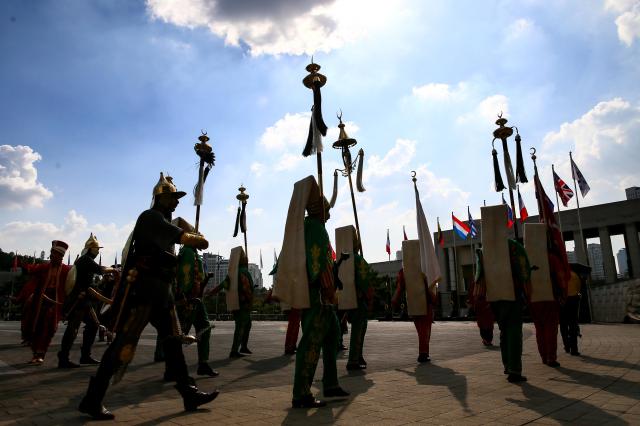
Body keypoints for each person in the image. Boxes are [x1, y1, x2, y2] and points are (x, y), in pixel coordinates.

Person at [78, 173, 218, 420]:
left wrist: (188, 226)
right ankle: (93, 397)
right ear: (160, 198)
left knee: (173, 343)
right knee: (123, 343)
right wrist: (196, 238)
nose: (176, 202)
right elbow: (182, 237)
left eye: (176, 198)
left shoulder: (163, 219)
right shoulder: (150, 217)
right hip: (145, 291)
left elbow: (181, 228)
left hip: (160, 291)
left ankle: (189, 392)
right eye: (172, 198)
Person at [272, 175, 349, 408]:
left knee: (333, 335)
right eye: (326, 208)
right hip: (318, 296)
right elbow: (321, 263)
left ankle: (330, 382)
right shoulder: (316, 228)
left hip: (317, 294)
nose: (329, 212)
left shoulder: (305, 227)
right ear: (318, 209)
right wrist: (329, 290)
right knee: (311, 342)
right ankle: (301, 393)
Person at [479, 204, 531, 384]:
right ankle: (515, 370)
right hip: (512, 295)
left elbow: (479, 276)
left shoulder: (484, 251)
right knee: (513, 331)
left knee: (503, 331)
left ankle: (508, 365)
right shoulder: (514, 247)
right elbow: (525, 271)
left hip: (494, 297)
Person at [155, 242, 218, 377]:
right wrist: (185, 297)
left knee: (204, 328)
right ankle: (171, 369)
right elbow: (185, 275)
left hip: (196, 299)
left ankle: (203, 363)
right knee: (179, 334)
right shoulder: (188, 252)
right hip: (189, 299)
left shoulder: (192, 252)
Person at [58, 233, 117, 368]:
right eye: (96, 249)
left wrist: (107, 300)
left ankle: (85, 355)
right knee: (73, 329)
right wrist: (113, 269)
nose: (97, 252)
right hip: (79, 301)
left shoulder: (85, 261)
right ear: (90, 249)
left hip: (85, 300)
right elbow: (101, 270)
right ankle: (63, 357)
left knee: (91, 326)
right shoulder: (86, 260)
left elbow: (89, 285)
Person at [524, 223, 567, 367]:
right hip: (550, 298)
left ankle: (544, 356)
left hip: (533, 298)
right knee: (550, 328)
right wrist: (563, 294)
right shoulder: (551, 258)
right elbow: (561, 278)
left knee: (539, 328)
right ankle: (551, 357)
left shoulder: (526, 260)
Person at [21, 240, 71, 365]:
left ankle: (40, 354)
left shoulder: (66, 270)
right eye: (51, 253)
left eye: (54, 253)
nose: (51, 256)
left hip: (55, 303)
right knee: (36, 327)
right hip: (40, 302)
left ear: (61, 256)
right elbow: (31, 269)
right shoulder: (45, 267)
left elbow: (72, 284)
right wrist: (24, 265)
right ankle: (35, 354)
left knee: (48, 329)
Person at [335, 225, 374, 371]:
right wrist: (370, 297)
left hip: (341, 300)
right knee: (359, 329)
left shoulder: (339, 260)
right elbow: (365, 282)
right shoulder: (357, 260)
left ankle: (357, 356)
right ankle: (354, 359)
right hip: (358, 300)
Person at [392, 239, 437, 363]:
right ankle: (423, 353)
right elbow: (431, 285)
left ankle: (424, 352)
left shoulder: (404, 271)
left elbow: (400, 288)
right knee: (425, 329)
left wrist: (394, 299)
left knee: (421, 330)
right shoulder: (424, 269)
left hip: (413, 304)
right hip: (425, 304)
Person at [208, 246, 254, 358]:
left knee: (246, 324)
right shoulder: (244, 272)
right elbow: (247, 289)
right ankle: (234, 350)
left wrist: (211, 293)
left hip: (237, 304)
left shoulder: (232, 275)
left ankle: (243, 346)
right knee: (241, 327)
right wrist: (249, 300)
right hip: (243, 304)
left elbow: (223, 285)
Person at [560, 263, 590, 356]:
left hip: (562, 301)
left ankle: (566, 346)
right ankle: (574, 349)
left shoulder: (560, 274)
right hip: (574, 301)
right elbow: (579, 289)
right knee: (573, 324)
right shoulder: (575, 275)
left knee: (563, 324)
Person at [468, 248, 495, 346]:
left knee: (485, 323)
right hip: (484, 304)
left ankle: (487, 339)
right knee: (486, 323)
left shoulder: (477, 280)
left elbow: (472, 294)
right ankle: (487, 339)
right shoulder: (479, 280)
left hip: (483, 304)